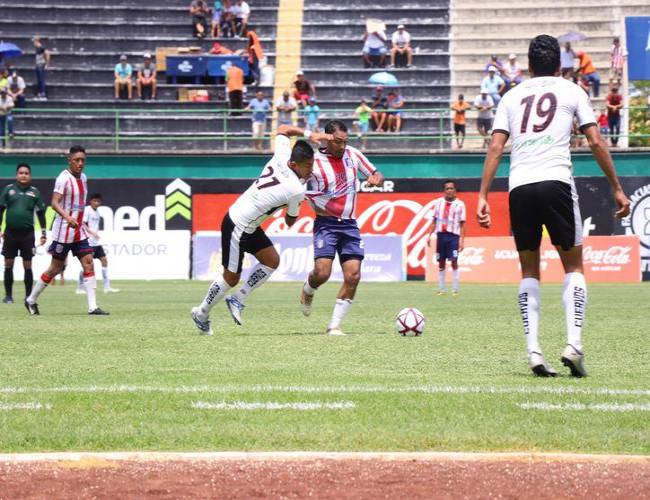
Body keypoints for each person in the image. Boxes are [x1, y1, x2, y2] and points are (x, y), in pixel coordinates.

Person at [477, 34, 630, 378]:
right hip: (557, 181)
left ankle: (534, 352)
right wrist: (617, 188)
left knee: (529, 270)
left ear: (529, 66)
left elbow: (496, 148)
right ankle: (573, 345)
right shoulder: (572, 90)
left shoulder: (511, 96)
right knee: (574, 266)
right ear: (560, 65)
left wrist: (484, 196)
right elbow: (594, 139)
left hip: (520, 187)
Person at [190, 125, 332, 335]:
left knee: (272, 261)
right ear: (293, 164)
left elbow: (283, 128)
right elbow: (290, 221)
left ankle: (238, 299)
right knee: (231, 277)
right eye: (307, 166)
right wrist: (304, 202)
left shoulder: (282, 154)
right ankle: (201, 313)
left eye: (312, 165)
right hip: (238, 225)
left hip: (249, 223)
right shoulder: (296, 190)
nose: (311, 170)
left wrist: (308, 134)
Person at [299, 120, 385, 336]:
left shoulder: (353, 155)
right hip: (325, 224)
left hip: (349, 224)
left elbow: (376, 174)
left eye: (345, 142)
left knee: (354, 275)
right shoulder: (314, 161)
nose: (342, 146)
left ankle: (334, 326)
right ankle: (308, 290)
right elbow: (296, 184)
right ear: (328, 139)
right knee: (322, 272)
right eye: (338, 142)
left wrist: (376, 179)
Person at [25, 146, 110, 316]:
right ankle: (31, 300)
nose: (80, 163)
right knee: (55, 269)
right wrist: (68, 217)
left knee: (88, 262)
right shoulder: (63, 179)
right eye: (77, 160)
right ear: (69, 160)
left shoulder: (83, 177)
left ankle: (93, 307)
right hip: (63, 231)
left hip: (78, 231)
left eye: (83, 160)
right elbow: (54, 203)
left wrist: (77, 220)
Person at [0, 164, 47, 304]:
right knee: (8, 263)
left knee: (28, 265)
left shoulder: (35, 192)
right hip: (10, 233)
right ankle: (8, 296)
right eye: (21, 172)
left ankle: (28, 297)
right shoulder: (8, 190)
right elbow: (1, 209)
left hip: (28, 234)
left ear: (30, 175)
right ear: (16, 175)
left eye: (26, 173)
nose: (23, 175)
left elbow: (40, 213)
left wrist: (44, 232)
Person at [426, 180, 466, 296]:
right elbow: (434, 220)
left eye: (451, 188)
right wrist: (429, 235)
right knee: (441, 262)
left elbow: (463, 224)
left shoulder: (460, 204)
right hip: (441, 235)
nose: (449, 190)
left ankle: (455, 288)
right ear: (444, 191)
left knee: (454, 260)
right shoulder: (438, 203)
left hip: (453, 235)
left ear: (455, 190)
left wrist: (462, 241)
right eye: (447, 188)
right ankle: (442, 288)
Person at [75, 193, 120, 295]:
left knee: (104, 261)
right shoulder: (87, 210)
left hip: (96, 242)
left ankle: (107, 287)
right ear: (90, 201)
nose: (96, 203)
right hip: (88, 242)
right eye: (94, 201)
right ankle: (79, 287)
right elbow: (83, 224)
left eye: (98, 201)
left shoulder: (97, 212)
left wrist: (95, 234)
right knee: (87, 265)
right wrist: (92, 233)